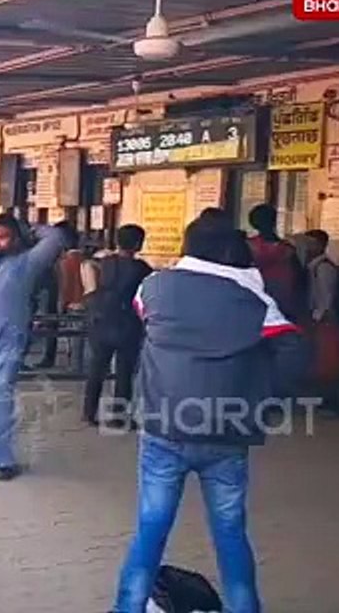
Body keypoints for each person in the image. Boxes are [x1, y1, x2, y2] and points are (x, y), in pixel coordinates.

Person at [110, 215, 309, 613]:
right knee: (230, 533)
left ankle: (126, 609)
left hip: (163, 428)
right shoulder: (253, 299)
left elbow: (142, 315)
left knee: (150, 530)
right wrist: (263, 395)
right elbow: (295, 350)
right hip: (227, 434)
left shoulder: (153, 286)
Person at [0, 214, 66, 482]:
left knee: (0, 399)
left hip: (8, 343)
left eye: (2, 237)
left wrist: (27, 227)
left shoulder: (27, 263)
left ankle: (4, 460)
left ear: (17, 240)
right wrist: (1, 227)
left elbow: (56, 237)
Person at [82, 224, 152, 428]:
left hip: (101, 321)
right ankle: (119, 417)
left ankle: (88, 412)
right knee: (124, 372)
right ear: (138, 244)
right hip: (127, 324)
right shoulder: (141, 269)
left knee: (97, 368)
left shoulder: (105, 263)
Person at [302, 229, 339, 414]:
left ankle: (333, 399)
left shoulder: (324, 268)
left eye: (311, 243)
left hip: (324, 320)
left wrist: (318, 316)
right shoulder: (313, 266)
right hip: (319, 318)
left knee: (328, 361)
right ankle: (326, 398)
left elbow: (326, 296)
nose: (307, 246)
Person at [246, 203, 307, 323]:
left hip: (256, 301)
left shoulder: (248, 247)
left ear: (253, 222)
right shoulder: (288, 249)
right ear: (274, 221)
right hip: (284, 305)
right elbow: (299, 279)